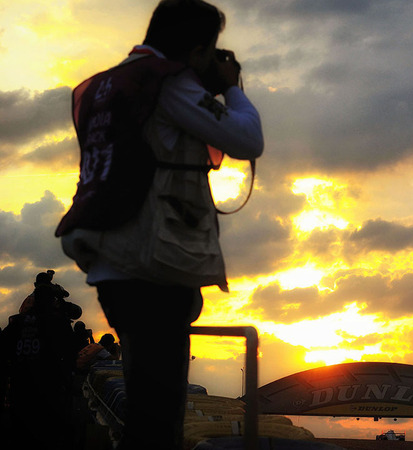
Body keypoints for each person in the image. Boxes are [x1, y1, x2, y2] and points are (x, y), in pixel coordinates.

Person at [55, 1, 263, 449]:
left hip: (112, 260)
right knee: (157, 422)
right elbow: (248, 139)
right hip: (155, 262)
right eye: (211, 51)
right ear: (195, 49)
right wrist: (231, 90)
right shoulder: (170, 84)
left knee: (147, 411)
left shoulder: (106, 85)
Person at [1, 283, 75, 449]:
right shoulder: (59, 323)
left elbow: (4, 351)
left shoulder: (17, 322)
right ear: (53, 301)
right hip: (49, 392)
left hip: (20, 391)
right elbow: (71, 355)